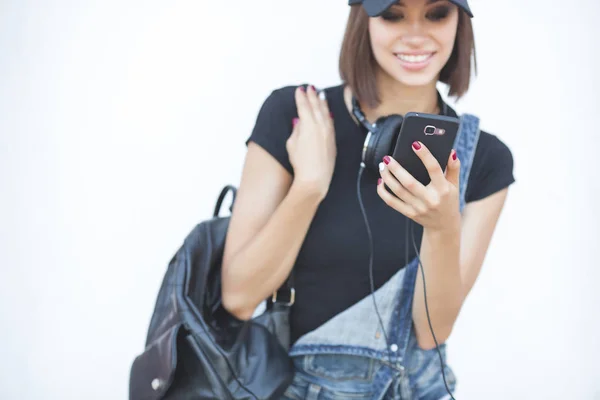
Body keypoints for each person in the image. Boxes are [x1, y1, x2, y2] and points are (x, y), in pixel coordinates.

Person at [221, 0, 515, 398]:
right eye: (393, 14)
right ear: (363, 19)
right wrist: (308, 187)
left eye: (436, 13)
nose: (415, 33)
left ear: (459, 22)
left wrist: (443, 226)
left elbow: (432, 332)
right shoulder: (295, 118)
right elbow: (238, 298)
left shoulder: (485, 159)